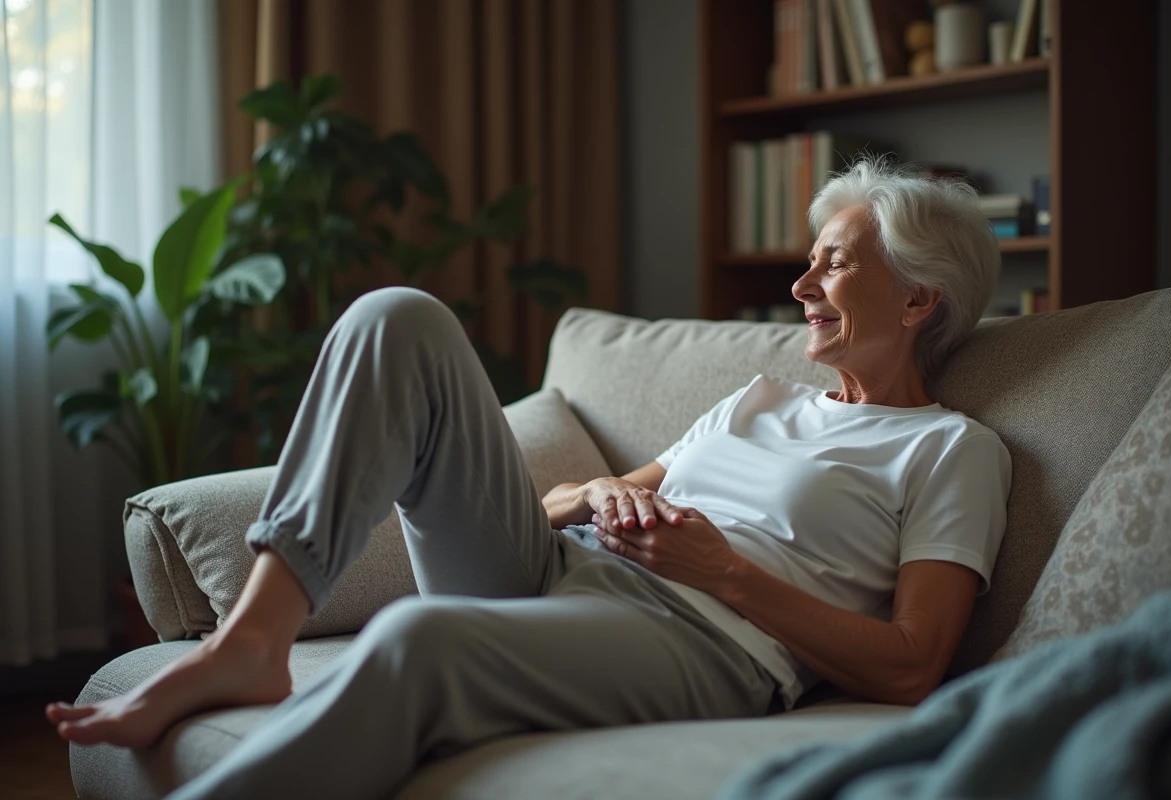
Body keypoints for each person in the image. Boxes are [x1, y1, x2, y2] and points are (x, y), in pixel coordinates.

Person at [46, 158, 1012, 799]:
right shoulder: (757, 400)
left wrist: (723, 572)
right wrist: (601, 494)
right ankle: (252, 642)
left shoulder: (952, 450)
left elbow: (912, 665)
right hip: (557, 565)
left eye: (832, 267)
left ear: (921, 297)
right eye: (807, 264)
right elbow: (558, 505)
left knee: (422, 636)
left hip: (702, 640)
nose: (801, 288)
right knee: (397, 317)